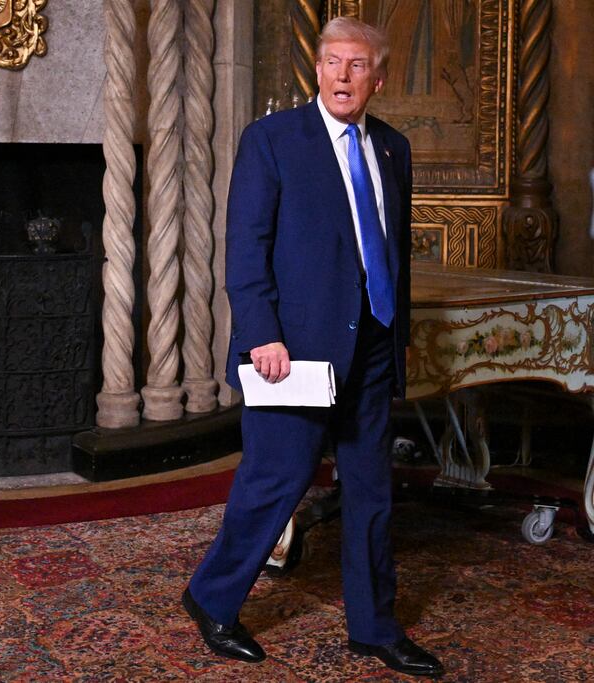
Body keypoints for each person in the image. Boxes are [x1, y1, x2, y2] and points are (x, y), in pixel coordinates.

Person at [182, 16, 444, 678]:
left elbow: (388, 252)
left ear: (377, 78)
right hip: (294, 351)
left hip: (375, 343)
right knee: (278, 480)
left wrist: (397, 339)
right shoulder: (273, 140)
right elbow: (247, 247)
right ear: (317, 70)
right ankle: (211, 597)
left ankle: (374, 626)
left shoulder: (393, 148)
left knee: (371, 488)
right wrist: (260, 334)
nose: (342, 76)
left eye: (357, 66)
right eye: (332, 62)